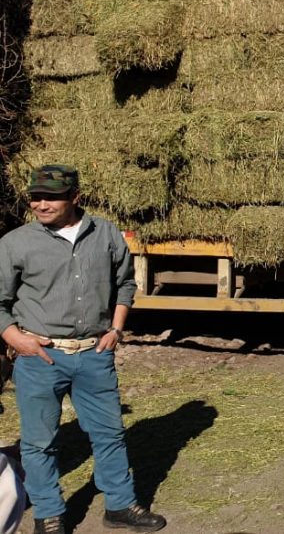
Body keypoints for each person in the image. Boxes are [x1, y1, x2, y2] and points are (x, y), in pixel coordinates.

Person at [0, 165, 166, 533]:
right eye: (35, 197)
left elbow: (125, 284)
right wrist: (16, 339)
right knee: (39, 442)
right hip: (41, 358)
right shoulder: (15, 243)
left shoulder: (105, 233)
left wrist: (116, 329)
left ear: (75, 197)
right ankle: (49, 514)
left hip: (94, 354)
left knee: (109, 434)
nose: (41, 204)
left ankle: (120, 506)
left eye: (51, 197)